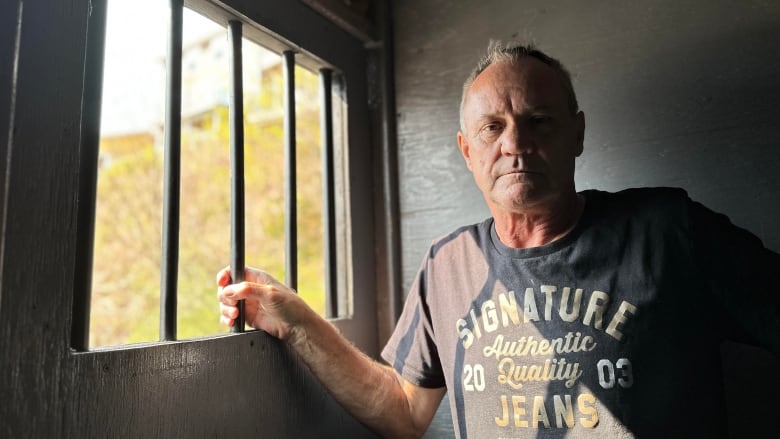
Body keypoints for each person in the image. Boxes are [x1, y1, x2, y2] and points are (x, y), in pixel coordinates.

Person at [217, 41, 780, 438]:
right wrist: (291, 318)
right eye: (494, 127)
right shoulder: (448, 265)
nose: (515, 143)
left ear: (577, 133)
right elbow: (401, 409)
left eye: (538, 121)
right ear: (468, 151)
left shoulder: (667, 231)